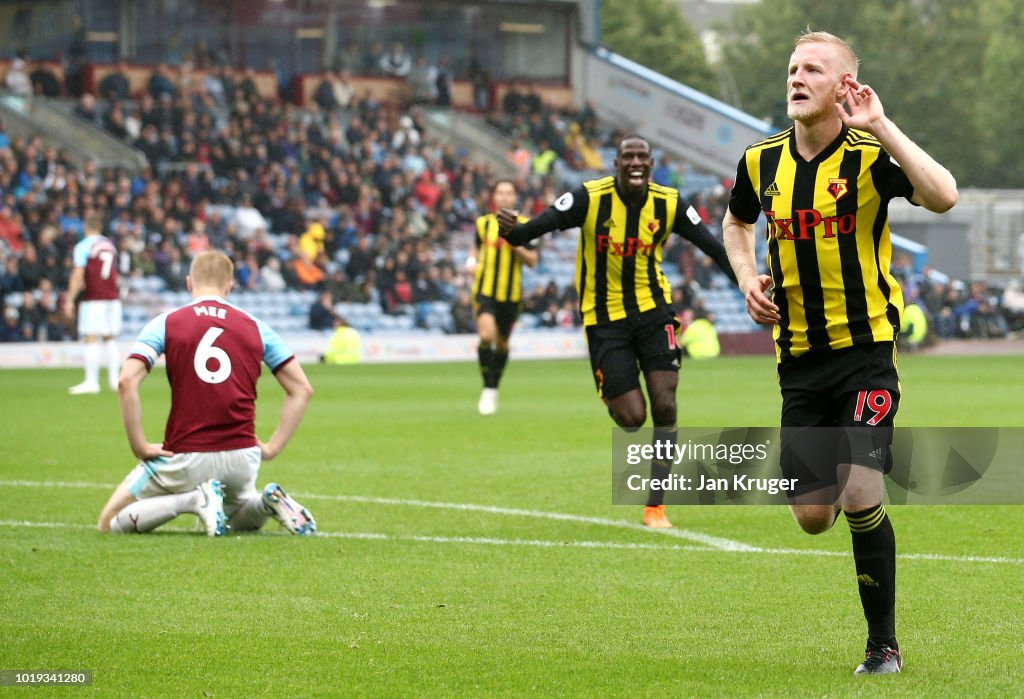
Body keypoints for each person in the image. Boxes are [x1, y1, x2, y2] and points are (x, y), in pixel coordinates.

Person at [721, 31, 958, 675]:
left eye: (814, 70)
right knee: (811, 515)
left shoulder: (870, 155)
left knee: (859, 488)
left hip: (866, 354)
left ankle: (883, 646)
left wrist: (882, 124)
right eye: (793, 68)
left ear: (843, 86)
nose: (798, 78)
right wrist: (745, 276)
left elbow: (943, 195)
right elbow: (736, 223)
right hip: (799, 361)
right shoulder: (760, 162)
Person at [499, 135, 736, 528]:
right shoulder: (589, 198)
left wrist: (748, 284)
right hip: (605, 320)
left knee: (665, 403)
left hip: (654, 312)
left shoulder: (670, 203)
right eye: (629, 156)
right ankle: (611, 389)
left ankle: (655, 505)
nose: (636, 162)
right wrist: (514, 230)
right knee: (632, 418)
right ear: (617, 164)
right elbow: (535, 228)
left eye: (643, 156)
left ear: (651, 163)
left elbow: (714, 248)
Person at [96, 250, 316, 537]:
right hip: (243, 456)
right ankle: (265, 504)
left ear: (189, 283)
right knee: (236, 518)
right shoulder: (257, 327)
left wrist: (140, 447)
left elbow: (127, 381)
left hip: (186, 454)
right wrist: (272, 448)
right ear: (230, 286)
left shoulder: (166, 322)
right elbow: (302, 388)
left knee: (109, 522)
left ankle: (192, 500)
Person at [469, 180, 537, 415]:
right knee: (486, 334)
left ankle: (494, 386)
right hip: (485, 290)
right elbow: (476, 248)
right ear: (494, 197)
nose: (504, 197)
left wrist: (514, 241)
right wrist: (471, 262)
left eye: (509, 193)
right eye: (500, 192)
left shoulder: (526, 225)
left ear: (515, 197)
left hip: (511, 296)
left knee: (502, 344)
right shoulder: (482, 224)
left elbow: (532, 260)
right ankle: (488, 388)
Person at [65, 214, 122, 394]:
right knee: (109, 338)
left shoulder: (83, 246)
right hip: (113, 297)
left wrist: (69, 299)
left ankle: (92, 382)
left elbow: (78, 274)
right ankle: (115, 380)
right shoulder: (110, 245)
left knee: (91, 337)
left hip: (94, 297)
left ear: (85, 227)